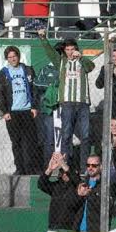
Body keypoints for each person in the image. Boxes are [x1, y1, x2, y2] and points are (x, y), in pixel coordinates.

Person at [39, 29, 95, 173]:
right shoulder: (61, 61)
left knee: (86, 136)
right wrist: (43, 38)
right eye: (67, 49)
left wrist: (81, 57)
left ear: (76, 49)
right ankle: (66, 168)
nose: (70, 52)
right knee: (66, 136)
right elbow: (50, 52)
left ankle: (84, 169)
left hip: (83, 103)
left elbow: (91, 67)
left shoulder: (82, 62)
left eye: (72, 49)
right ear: (64, 51)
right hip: (67, 103)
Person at [0, 46, 40, 176]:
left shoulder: (27, 70)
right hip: (12, 113)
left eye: (14, 56)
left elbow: (35, 89)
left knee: (30, 141)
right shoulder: (4, 73)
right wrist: (4, 111)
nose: (12, 59)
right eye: (9, 57)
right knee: (16, 142)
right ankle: (20, 168)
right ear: (7, 59)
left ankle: (30, 168)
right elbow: (1, 94)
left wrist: (34, 107)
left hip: (27, 111)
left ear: (18, 56)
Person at [38, 152, 81, 232]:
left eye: (65, 171)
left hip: (69, 230)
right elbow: (41, 184)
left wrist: (63, 164)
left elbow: (78, 182)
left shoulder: (78, 187)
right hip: (53, 228)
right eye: (61, 171)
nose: (64, 174)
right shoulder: (57, 186)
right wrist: (50, 169)